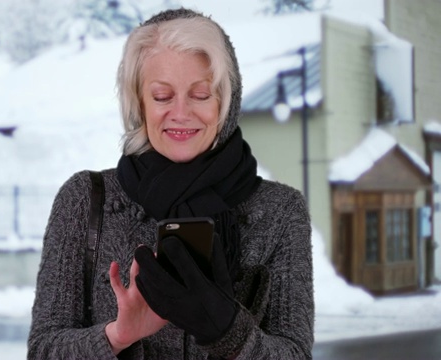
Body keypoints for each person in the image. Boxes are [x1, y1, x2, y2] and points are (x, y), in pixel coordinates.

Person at [28, 7, 313, 359]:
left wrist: (227, 332)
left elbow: (296, 353)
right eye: (162, 96)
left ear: (226, 101)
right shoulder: (85, 200)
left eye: (200, 94)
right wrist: (117, 335)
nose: (181, 113)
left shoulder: (281, 211)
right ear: (140, 104)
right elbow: (43, 351)